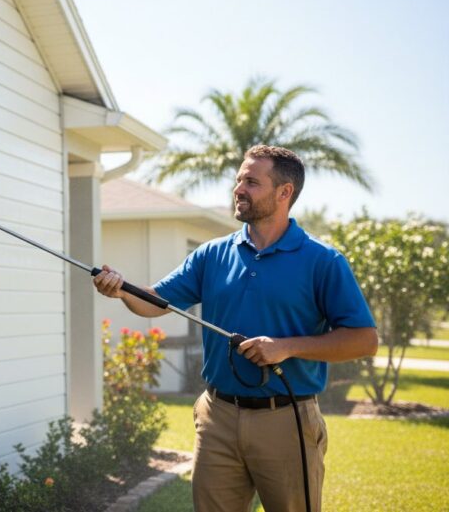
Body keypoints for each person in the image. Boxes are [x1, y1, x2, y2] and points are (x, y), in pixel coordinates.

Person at [93, 145, 377, 512]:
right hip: (217, 417)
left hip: (286, 420)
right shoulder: (212, 254)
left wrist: (285, 347)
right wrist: (121, 289)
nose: (239, 189)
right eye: (239, 179)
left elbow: (364, 339)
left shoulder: (322, 261)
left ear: (284, 192)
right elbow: (156, 301)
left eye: (252, 182)